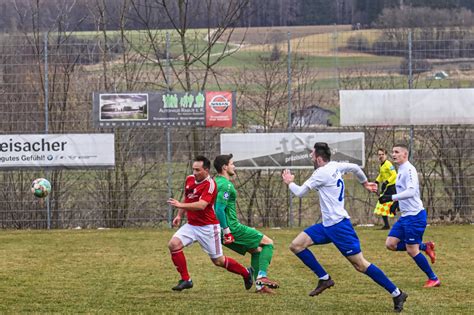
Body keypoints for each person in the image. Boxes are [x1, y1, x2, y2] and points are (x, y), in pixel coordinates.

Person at [281, 142, 408, 312]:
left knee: (361, 265)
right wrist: (364, 183)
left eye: (312, 155)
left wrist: (289, 182)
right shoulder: (336, 166)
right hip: (327, 225)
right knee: (296, 245)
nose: (311, 157)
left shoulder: (321, 173)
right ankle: (324, 278)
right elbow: (355, 168)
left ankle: (397, 293)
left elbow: (299, 192)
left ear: (318, 159)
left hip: (339, 227)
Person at [167, 155, 253, 291]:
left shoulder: (210, 185)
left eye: (197, 170)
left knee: (218, 261)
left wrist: (180, 205)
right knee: (173, 244)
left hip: (208, 227)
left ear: (206, 170)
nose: (194, 173)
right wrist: (179, 215)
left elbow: (201, 205)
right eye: (193, 169)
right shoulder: (189, 179)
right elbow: (187, 197)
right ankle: (186, 279)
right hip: (192, 225)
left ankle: (246, 272)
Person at [213, 154, 279, 294]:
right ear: (225, 167)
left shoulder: (213, 182)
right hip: (232, 228)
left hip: (216, 229)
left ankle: (260, 287)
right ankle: (262, 277)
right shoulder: (226, 185)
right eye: (232, 164)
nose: (234, 166)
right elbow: (219, 208)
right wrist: (227, 231)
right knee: (268, 243)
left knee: (256, 251)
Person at [379, 144, 439, 288]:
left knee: (412, 250)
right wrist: (397, 204)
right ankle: (425, 246)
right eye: (392, 152)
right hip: (406, 216)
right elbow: (405, 192)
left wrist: (391, 198)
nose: (393, 154)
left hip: (415, 216)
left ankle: (433, 278)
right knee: (391, 244)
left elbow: (412, 191)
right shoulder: (400, 169)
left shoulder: (410, 169)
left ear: (405, 154)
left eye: (397, 152)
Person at [374, 148, 397, 230]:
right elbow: (381, 175)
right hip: (387, 187)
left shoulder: (388, 164)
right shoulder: (382, 164)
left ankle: (387, 225)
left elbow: (394, 175)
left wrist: (387, 182)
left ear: (386, 155)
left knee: (384, 203)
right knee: (383, 203)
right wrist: (376, 181)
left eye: (382, 154)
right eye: (379, 154)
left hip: (391, 187)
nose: (380, 156)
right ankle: (386, 225)